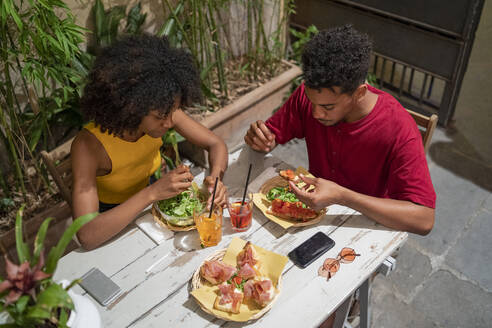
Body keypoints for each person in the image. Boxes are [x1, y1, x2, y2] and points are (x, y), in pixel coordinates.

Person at [244, 24, 435, 236]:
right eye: (311, 101)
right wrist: (260, 139)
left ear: (359, 93)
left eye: (328, 107)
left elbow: (424, 219)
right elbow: (267, 137)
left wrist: (343, 196)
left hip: (364, 227)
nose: (316, 114)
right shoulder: (309, 97)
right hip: (311, 215)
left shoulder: (399, 128)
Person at [72, 35, 228, 250]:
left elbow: (216, 144)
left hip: (153, 210)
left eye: (173, 111)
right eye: (159, 117)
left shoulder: (163, 111)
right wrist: (153, 192)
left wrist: (216, 178)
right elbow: (87, 235)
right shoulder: (88, 146)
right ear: (131, 108)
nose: (170, 122)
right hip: (111, 224)